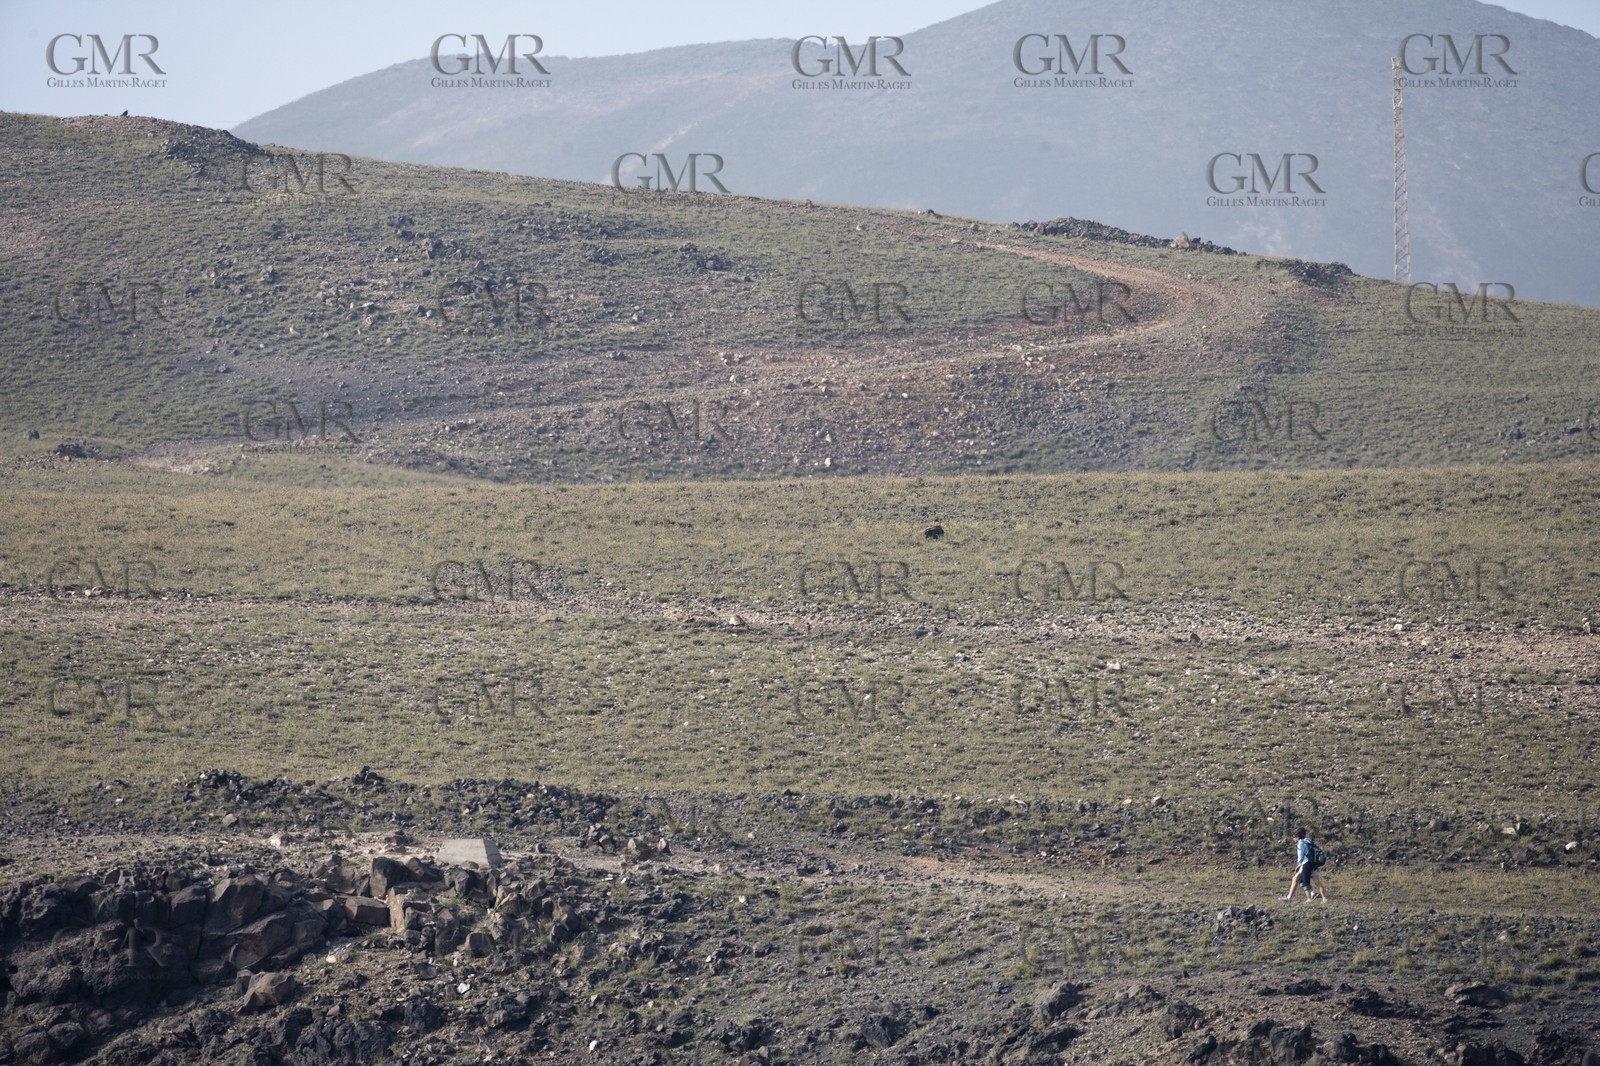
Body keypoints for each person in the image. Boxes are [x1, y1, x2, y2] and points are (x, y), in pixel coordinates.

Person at [1283, 827, 1330, 902]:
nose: (1293, 839)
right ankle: (1324, 898)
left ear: (1297, 837)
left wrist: (1298, 864)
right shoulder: (1308, 840)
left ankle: (1308, 898)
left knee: (1304, 881)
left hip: (1306, 863)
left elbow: (1301, 855)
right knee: (1316, 881)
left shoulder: (1300, 843)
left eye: (1294, 837)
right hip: (1313, 863)